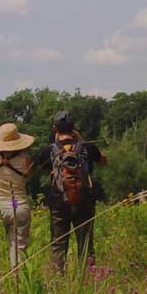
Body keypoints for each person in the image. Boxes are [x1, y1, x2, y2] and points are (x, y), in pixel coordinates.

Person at [38, 110, 106, 271]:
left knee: (58, 243)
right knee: (85, 242)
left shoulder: (48, 151)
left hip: (58, 201)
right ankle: (88, 278)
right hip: (85, 199)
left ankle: (58, 280)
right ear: (73, 127)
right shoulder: (88, 148)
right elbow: (104, 161)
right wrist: (81, 141)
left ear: (55, 128)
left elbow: (39, 169)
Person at [0, 122, 36, 269]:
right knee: (19, 249)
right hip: (18, 206)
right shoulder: (26, 159)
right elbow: (29, 175)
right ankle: (18, 280)